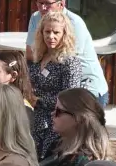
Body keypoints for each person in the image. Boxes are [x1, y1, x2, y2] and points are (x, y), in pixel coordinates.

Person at [26, 0, 109, 107]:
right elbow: (30, 53)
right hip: (55, 88)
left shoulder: (75, 22)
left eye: (47, 3)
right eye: (39, 3)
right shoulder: (36, 17)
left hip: (86, 87)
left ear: (61, 4)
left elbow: (65, 59)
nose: (42, 7)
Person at [28, 12, 88, 157]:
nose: (51, 36)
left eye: (56, 32)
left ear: (64, 34)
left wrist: (38, 100)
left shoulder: (70, 62)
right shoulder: (38, 57)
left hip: (56, 126)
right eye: (47, 32)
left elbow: (70, 99)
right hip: (35, 122)